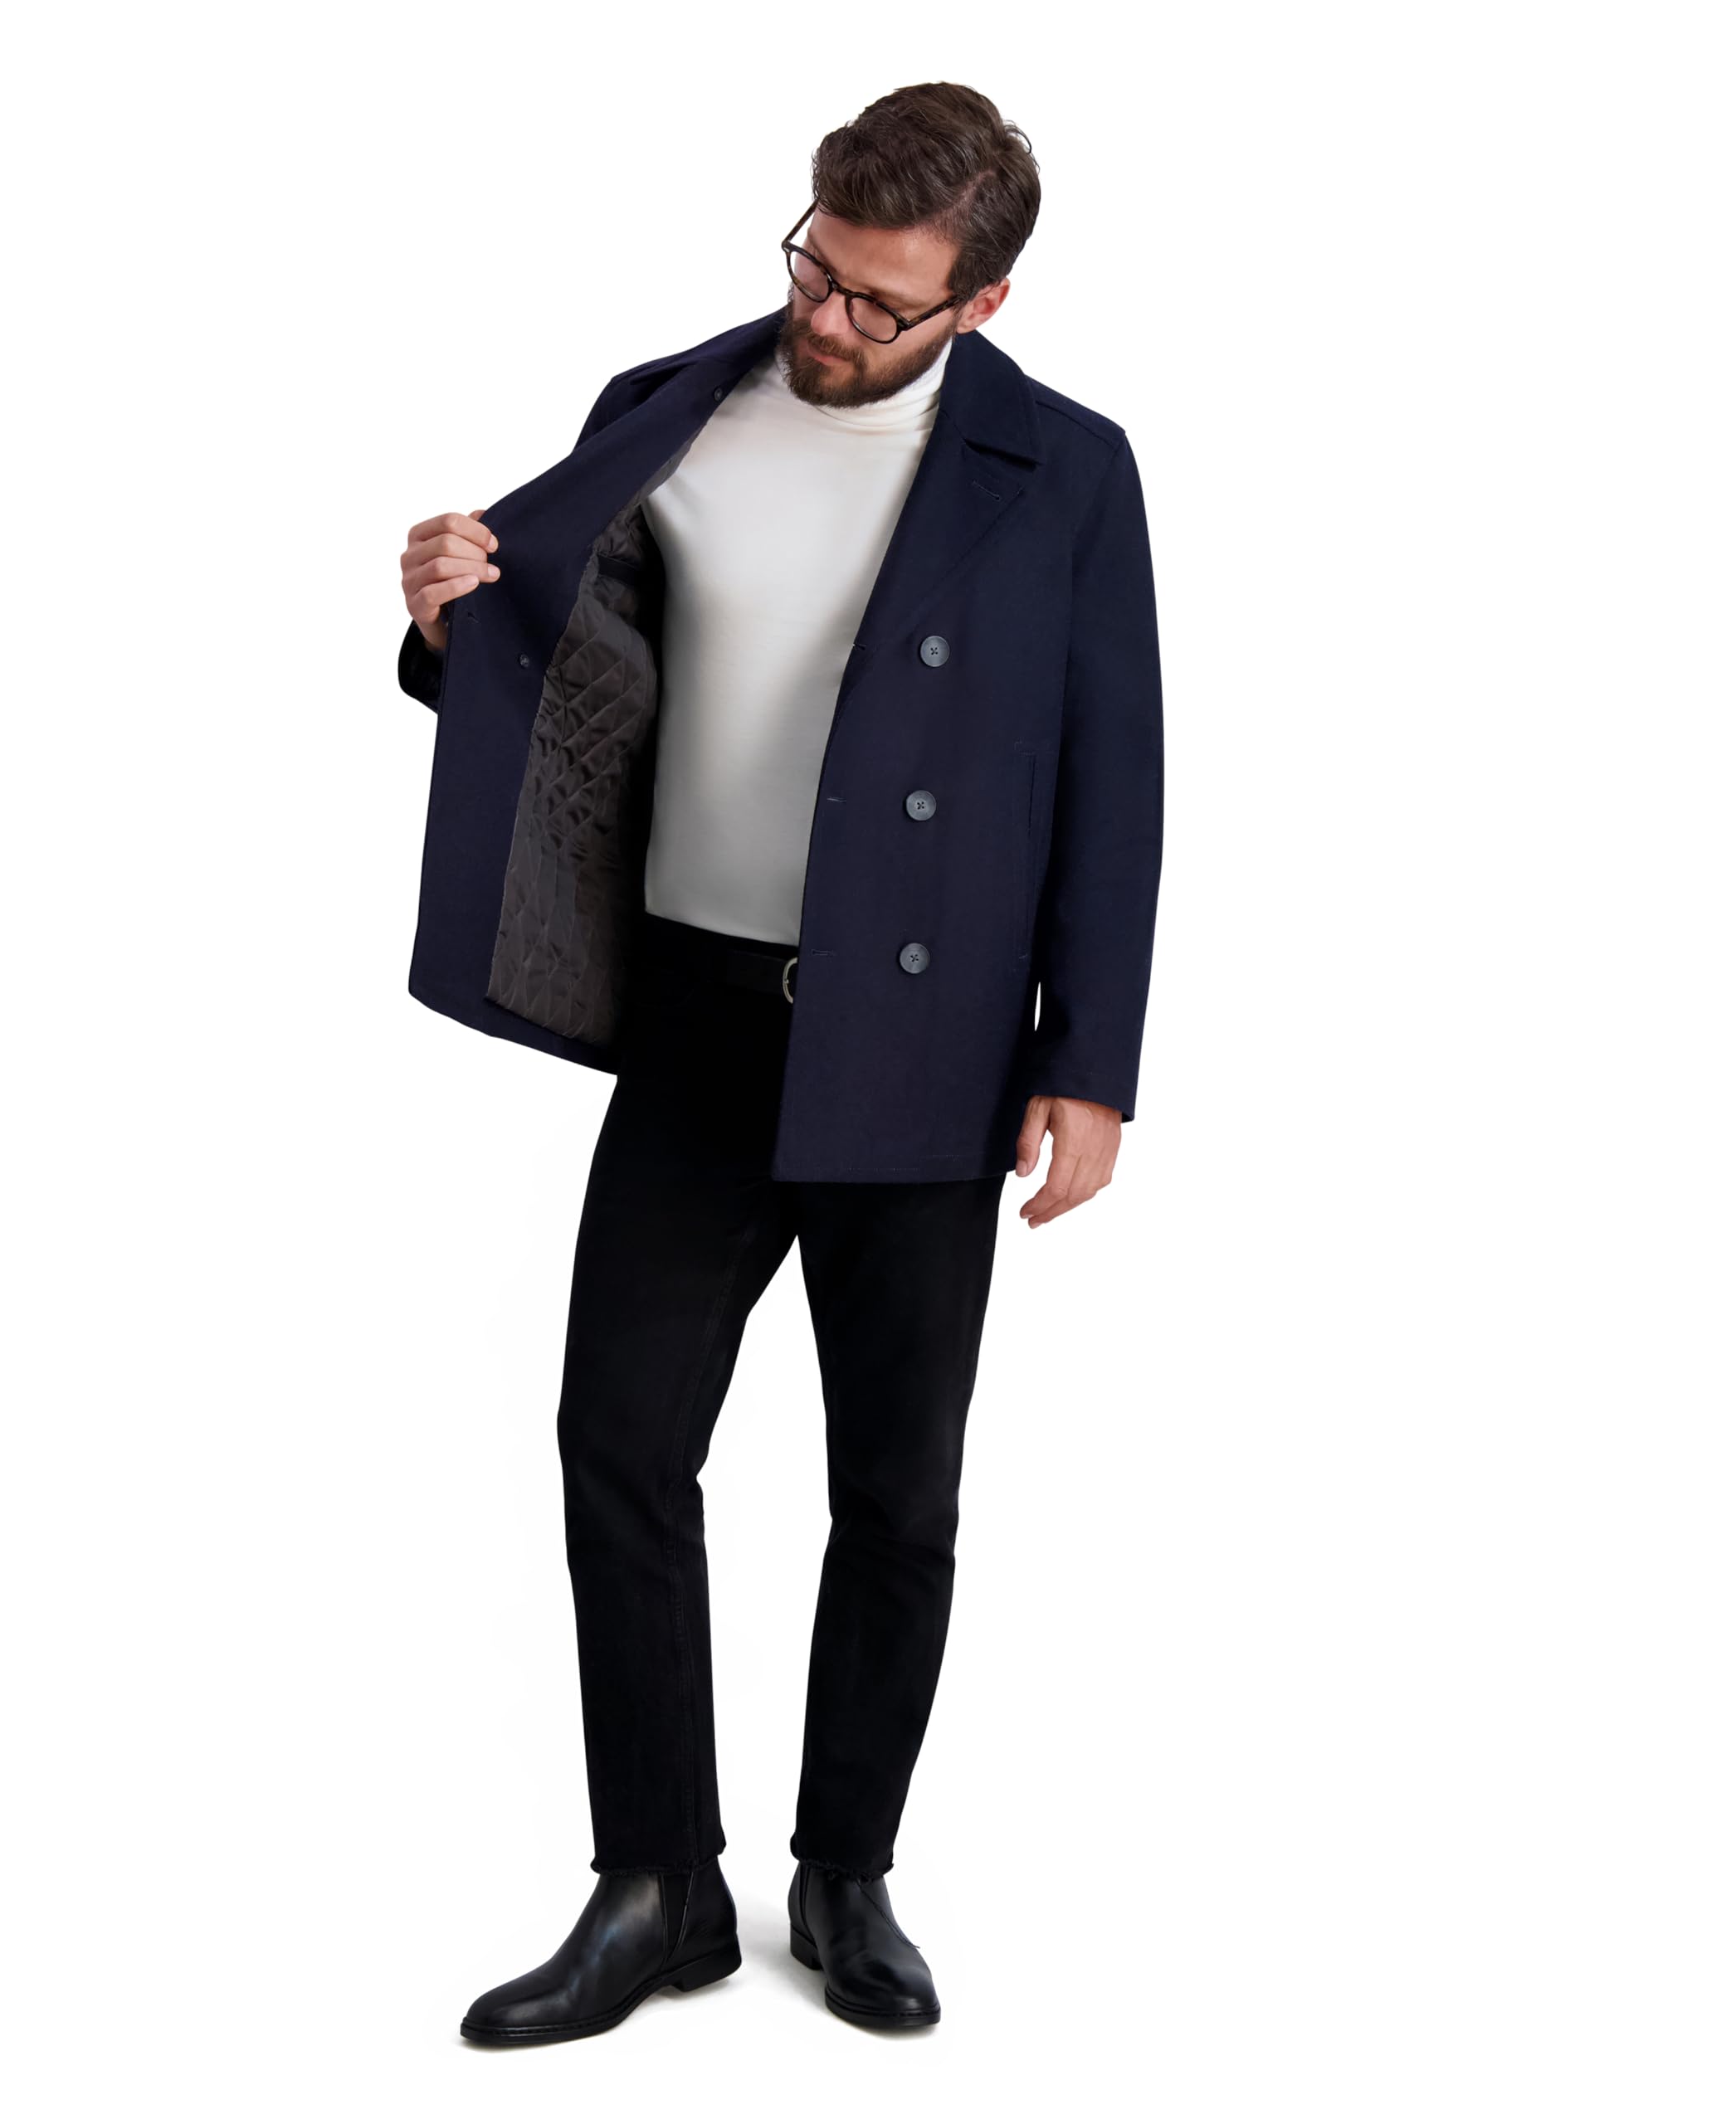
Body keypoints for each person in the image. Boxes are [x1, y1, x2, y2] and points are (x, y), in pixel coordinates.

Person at [396, 81, 1163, 2043]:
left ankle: (845, 1871)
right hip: (696, 1018)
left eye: (878, 302)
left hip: (925, 1043)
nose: (827, 317)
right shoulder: (666, 405)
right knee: (616, 1442)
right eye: (815, 266)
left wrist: (1089, 1056)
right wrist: (445, 623)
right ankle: (656, 1881)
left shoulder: (1065, 472)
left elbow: (1114, 773)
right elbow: (567, 660)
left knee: (894, 1488)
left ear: (979, 303)